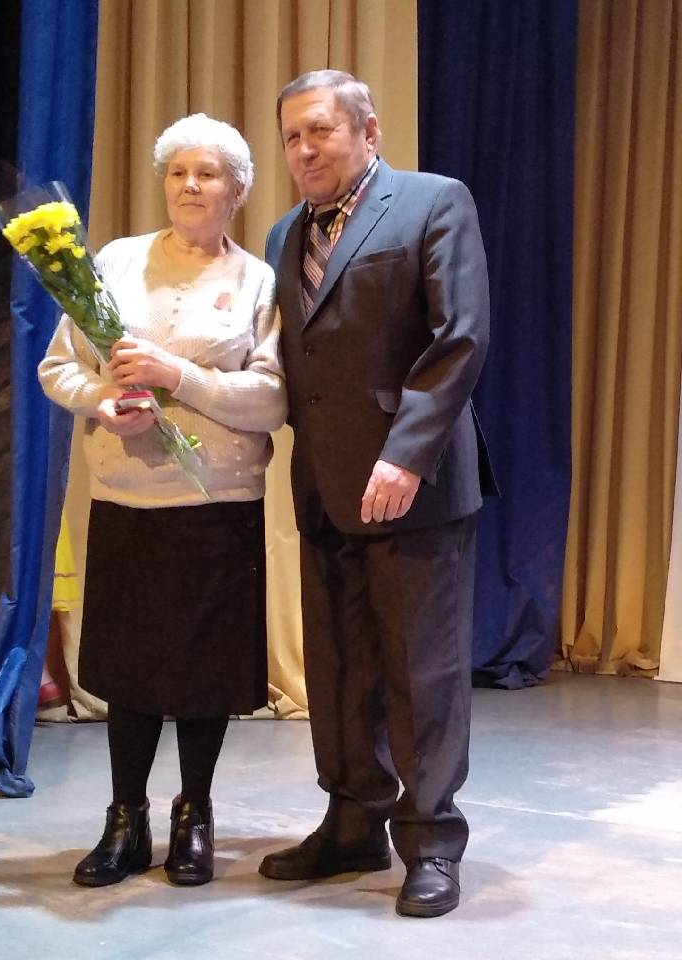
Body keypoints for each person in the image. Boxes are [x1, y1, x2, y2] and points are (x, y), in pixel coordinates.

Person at [257, 70, 495, 918]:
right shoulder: (284, 233)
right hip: (325, 488)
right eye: (291, 136)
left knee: (421, 671)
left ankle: (430, 841)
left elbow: (459, 336)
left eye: (320, 130)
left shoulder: (433, 202)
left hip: (413, 487)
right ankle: (353, 820)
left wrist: (406, 455)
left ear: (369, 132)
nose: (304, 149)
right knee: (339, 668)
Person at [38, 114, 286, 888]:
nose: (189, 185)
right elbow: (59, 367)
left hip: (219, 501)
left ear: (237, 190)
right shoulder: (113, 262)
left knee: (205, 671)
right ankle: (125, 819)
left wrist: (179, 377)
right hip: (128, 499)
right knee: (130, 669)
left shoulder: (258, 280)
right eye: (177, 171)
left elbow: (271, 399)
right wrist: (102, 401)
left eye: (207, 173)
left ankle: (194, 816)